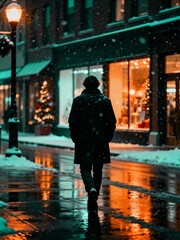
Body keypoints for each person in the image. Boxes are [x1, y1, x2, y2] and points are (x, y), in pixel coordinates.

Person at [68, 75, 116, 217]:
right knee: (98, 168)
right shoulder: (105, 101)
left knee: (85, 167)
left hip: (83, 140)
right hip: (100, 140)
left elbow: (73, 122)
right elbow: (112, 122)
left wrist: (76, 137)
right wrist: (107, 137)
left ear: (84, 85)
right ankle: (94, 193)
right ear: (97, 85)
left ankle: (91, 189)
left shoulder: (78, 101)